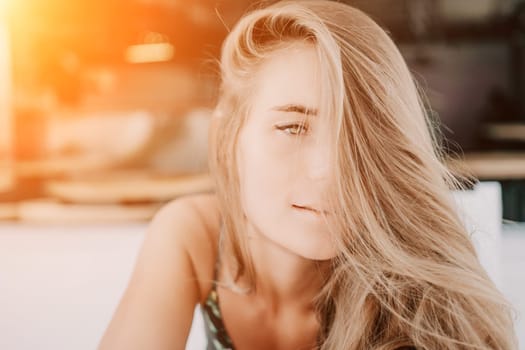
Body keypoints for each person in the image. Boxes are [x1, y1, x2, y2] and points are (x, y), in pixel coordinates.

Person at [98, 1, 518, 349]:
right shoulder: (196, 236)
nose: (329, 171)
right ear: (229, 134)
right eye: (293, 127)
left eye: (357, 137)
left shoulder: (404, 287)